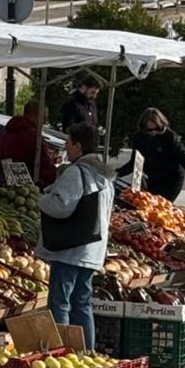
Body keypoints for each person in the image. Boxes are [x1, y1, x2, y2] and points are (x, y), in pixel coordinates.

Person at [38, 123, 114, 350]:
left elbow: (61, 206)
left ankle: (61, 352)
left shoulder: (76, 172)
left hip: (70, 248)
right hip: (93, 249)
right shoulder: (105, 176)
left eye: (68, 142)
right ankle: (86, 352)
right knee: (82, 302)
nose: (65, 146)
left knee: (59, 302)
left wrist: (42, 199)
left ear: (78, 146)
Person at [115, 108, 185, 202]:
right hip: (153, 179)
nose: (154, 132)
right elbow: (134, 162)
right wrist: (117, 174)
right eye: (150, 130)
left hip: (172, 180)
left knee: (162, 205)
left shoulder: (170, 137)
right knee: (148, 204)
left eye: (158, 129)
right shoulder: (140, 138)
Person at [0, 102, 58, 187]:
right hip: (30, 188)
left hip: (7, 186)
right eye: (43, 118)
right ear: (33, 116)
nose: (45, 122)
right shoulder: (33, 137)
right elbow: (45, 167)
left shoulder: (3, 136)